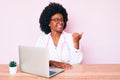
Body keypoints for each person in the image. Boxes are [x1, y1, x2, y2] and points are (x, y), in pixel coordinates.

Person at [35, 2, 83, 69]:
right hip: (48, 76)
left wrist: (76, 43)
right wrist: (53, 62)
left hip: (67, 75)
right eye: (56, 20)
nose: (60, 22)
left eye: (62, 19)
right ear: (48, 23)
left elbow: (76, 63)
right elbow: (36, 61)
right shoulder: (42, 40)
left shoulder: (71, 38)